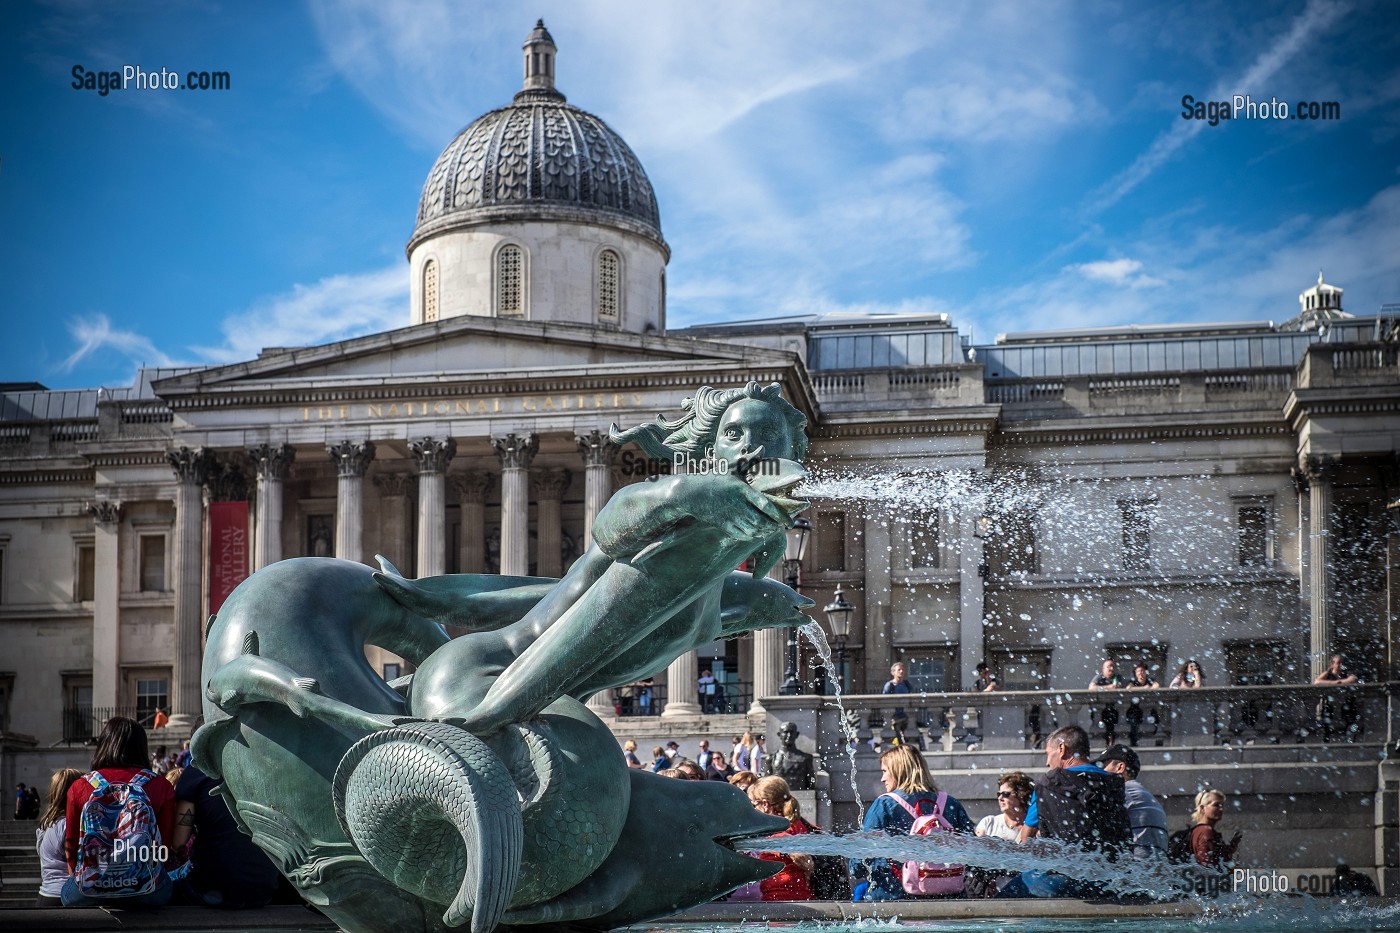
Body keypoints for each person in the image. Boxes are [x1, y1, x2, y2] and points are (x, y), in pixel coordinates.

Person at [1002, 725, 1130, 898]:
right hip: (1108, 879)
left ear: (1062, 749)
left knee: (1001, 903)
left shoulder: (1047, 785)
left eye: (1048, 753)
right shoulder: (1113, 783)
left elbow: (1026, 840)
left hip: (1062, 879)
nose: (1047, 762)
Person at [62, 716, 175, 907]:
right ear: (141, 747)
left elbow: (71, 846)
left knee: (66, 895)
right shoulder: (160, 785)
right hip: (146, 888)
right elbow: (165, 843)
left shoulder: (79, 786)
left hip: (92, 887)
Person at [852, 745, 974, 901]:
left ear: (899, 770)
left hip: (895, 899)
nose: (882, 779)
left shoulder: (884, 805)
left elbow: (860, 862)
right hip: (948, 898)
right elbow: (972, 851)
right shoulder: (950, 803)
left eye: (885, 771)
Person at [170, 764, 281, 908]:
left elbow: (178, 842)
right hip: (265, 886)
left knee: (157, 883)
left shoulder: (197, 769)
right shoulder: (268, 768)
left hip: (212, 887)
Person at [744, 777, 815, 900]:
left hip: (781, 902)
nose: (752, 810)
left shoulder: (778, 831)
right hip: (802, 897)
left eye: (753, 805)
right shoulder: (799, 823)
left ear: (765, 805)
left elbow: (799, 854)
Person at [1094, 744, 1167, 860]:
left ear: (1120, 768)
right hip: (1154, 867)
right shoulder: (1145, 794)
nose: (1099, 772)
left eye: (1102, 766)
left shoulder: (1124, 792)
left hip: (1135, 867)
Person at [969, 771, 1032, 897]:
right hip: (990, 895)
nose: (1000, 798)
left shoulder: (1032, 827)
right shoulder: (989, 822)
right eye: (999, 794)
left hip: (1024, 894)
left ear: (1021, 795)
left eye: (1006, 794)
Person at [35, 768, 84, 907]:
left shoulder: (45, 825)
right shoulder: (68, 825)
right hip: (64, 898)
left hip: (45, 896)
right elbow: (74, 869)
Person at [1187, 789, 1240, 869]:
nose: (1221, 809)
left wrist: (1228, 850)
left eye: (1222, 805)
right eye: (1216, 805)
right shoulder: (1205, 830)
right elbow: (1206, 865)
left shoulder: (1201, 830)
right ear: (1202, 808)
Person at [1314, 653, 1361, 740]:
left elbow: (1353, 679)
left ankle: (1349, 735)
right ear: (1332, 665)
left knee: (1349, 714)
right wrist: (1336, 683)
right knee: (1325, 713)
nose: (1340, 665)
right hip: (1330, 702)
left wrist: (1339, 682)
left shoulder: (1346, 673)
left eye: (1342, 663)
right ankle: (1326, 736)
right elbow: (1317, 682)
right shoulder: (1328, 673)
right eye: (1338, 663)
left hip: (1345, 701)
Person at [770, 721, 817, 790]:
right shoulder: (771, 758)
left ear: (797, 734)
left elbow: (811, 783)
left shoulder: (806, 758)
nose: (789, 735)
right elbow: (766, 785)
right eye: (786, 732)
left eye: (791, 732)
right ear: (779, 734)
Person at [1088, 659, 1126, 745]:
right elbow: (1091, 687)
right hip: (1100, 707)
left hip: (1114, 707)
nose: (1111, 669)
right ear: (1103, 669)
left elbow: (1118, 687)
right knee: (1101, 726)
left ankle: (1111, 743)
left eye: (1113, 667)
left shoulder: (1117, 677)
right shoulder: (1099, 677)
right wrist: (1109, 687)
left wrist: (1103, 687)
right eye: (1109, 666)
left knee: (1113, 727)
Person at [1124, 662, 1160, 746]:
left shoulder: (1150, 680)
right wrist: (1144, 688)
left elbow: (1157, 686)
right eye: (1138, 671)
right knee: (1133, 722)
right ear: (1135, 673)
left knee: (1155, 720)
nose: (1141, 673)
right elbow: (1128, 688)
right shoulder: (1133, 681)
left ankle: (1151, 741)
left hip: (1148, 708)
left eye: (1143, 671)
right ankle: (1134, 742)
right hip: (1135, 709)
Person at [882, 662, 914, 742]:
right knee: (897, 740)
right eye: (899, 670)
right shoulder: (889, 685)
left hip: (906, 716)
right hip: (895, 717)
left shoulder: (907, 684)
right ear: (893, 672)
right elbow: (884, 701)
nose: (901, 671)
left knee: (911, 738)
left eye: (902, 669)